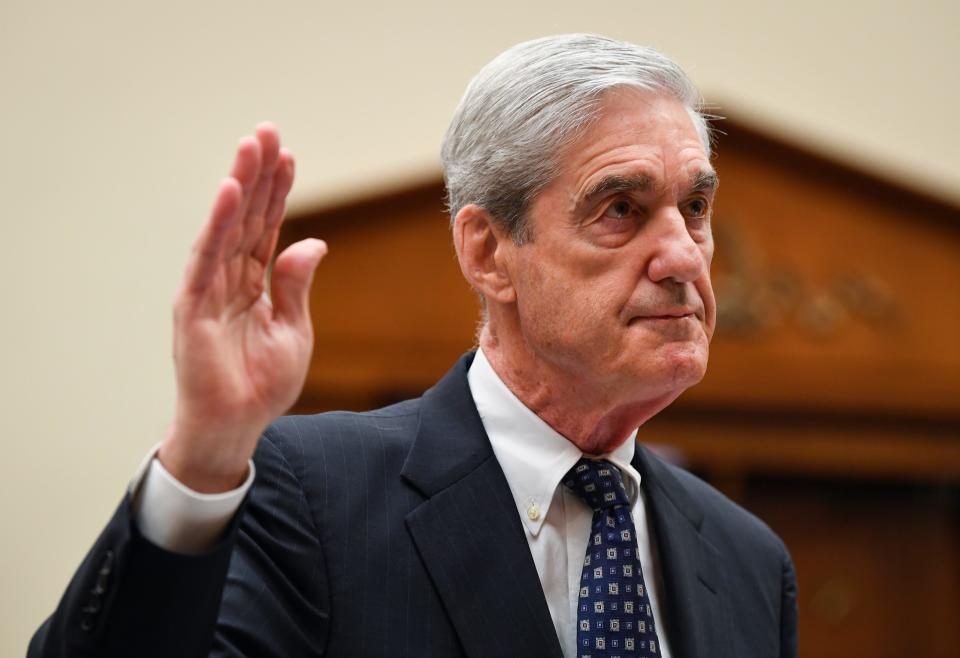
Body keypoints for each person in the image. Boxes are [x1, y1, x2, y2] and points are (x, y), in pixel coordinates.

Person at [29, 34, 797, 658]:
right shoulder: (311, 495)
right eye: (621, 208)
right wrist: (204, 454)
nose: (685, 256)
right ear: (489, 254)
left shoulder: (750, 561)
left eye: (695, 206)